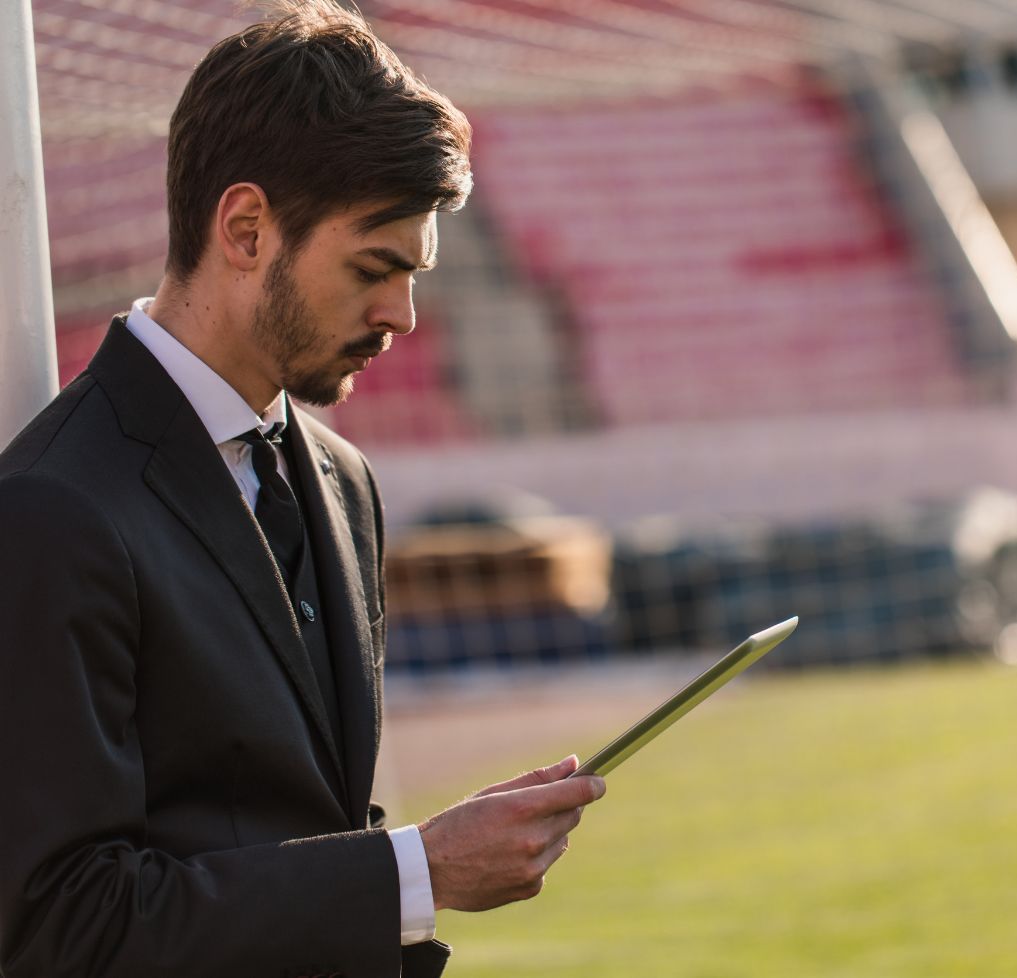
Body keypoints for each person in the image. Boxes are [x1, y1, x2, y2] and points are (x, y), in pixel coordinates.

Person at [0, 3, 605, 976]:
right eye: (376, 267)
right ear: (245, 228)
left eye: (415, 274)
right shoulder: (51, 510)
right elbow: (62, 928)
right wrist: (418, 871)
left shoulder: (342, 480)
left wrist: (402, 875)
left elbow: (313, 818)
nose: (403, 315)